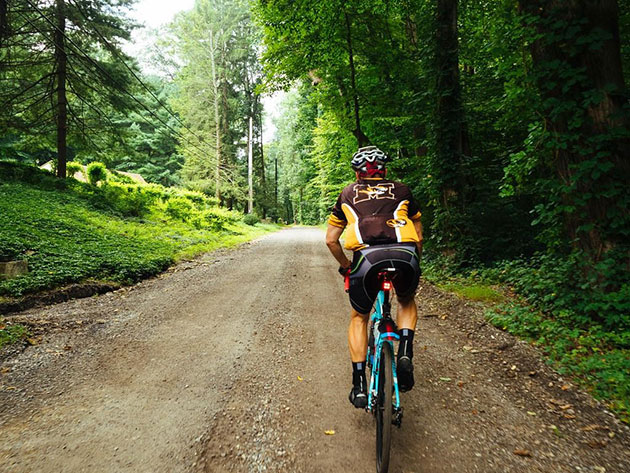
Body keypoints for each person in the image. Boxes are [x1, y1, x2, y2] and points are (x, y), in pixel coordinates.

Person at [325, 146, 423, 408]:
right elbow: (419, 234)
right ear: (385, 171)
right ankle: (404, 352)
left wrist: (346, 265)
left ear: (357, 174)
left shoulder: (347, 193)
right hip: (406, 254)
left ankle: (358, 385)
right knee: (405, 300)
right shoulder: (402, 190)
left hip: (367, 259)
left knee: (359, 317)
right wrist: (414, 262)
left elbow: (331, 240)